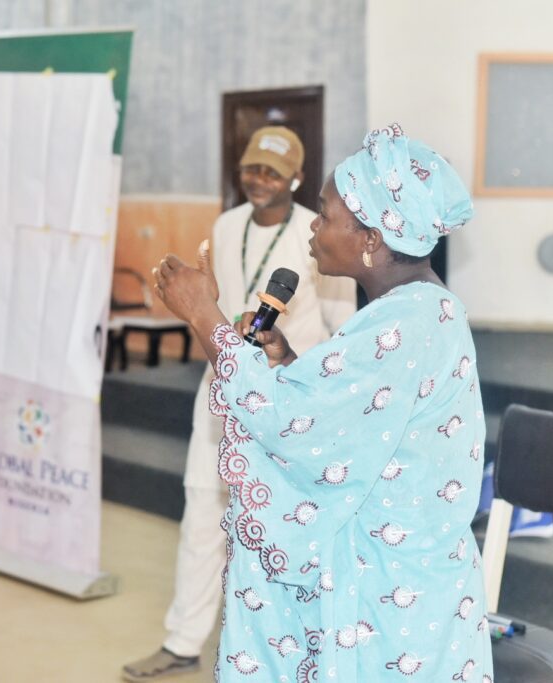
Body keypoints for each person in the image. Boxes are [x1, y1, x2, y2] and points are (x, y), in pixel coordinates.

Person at [152, 124, 492, 681]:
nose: (314, 225)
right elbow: (351, 421)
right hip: (395, 582)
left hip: (390, 600)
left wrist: (202, 315)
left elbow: (292, 426)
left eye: (326, 215)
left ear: (372, 238)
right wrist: (288, 363)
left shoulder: (405, 322)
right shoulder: (421, 308)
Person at [123, 126, 356, 681]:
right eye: (252, 168)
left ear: (296, 179)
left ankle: (285, 650)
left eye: (273, 172)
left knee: (283, 528)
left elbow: (342, 333)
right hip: (221, 389)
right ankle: (183, 642)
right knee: (203, 513)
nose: (259, 180)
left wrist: (307, 385)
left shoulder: (319, 234)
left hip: (287, 402)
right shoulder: (227, 225)